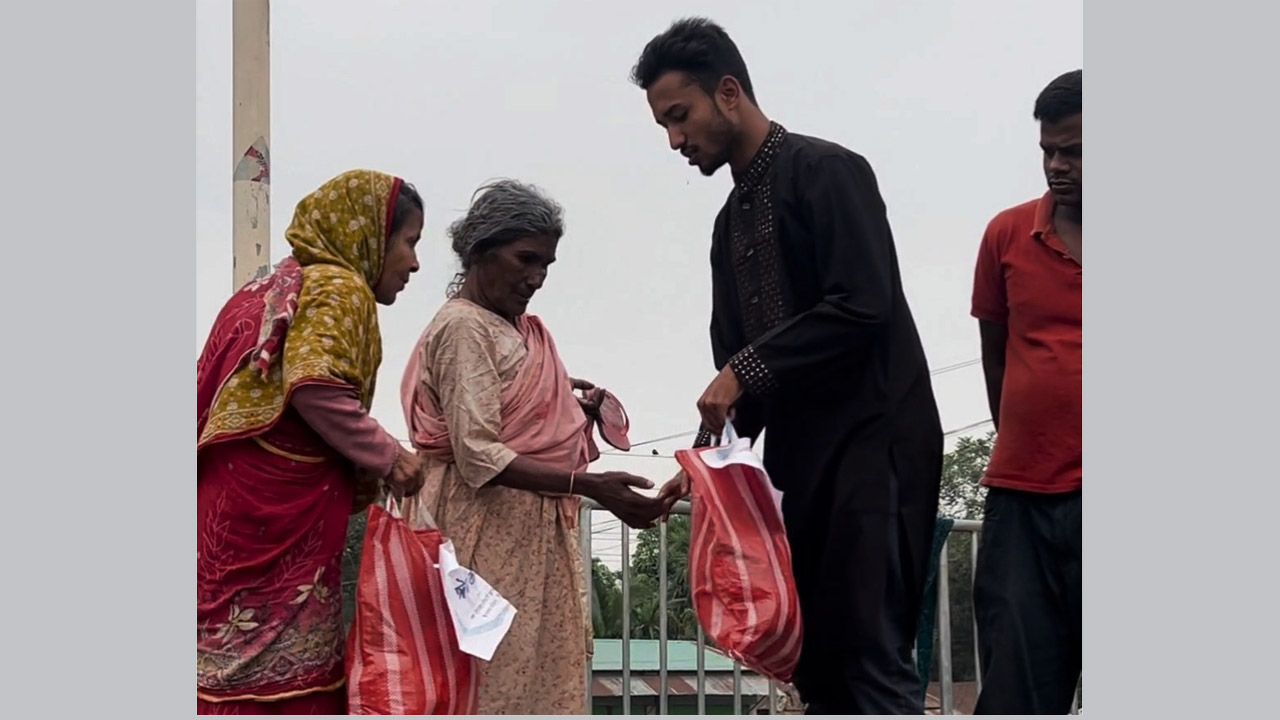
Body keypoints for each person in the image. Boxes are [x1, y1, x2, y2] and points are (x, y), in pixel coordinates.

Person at [634, 18, 944, 715]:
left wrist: (746, 369)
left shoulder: (827, 171)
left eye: (679, 117)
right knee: (817, 660)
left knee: (870, 651)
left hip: (877, 444)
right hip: (801, 464)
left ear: (730, 92)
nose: (675, 140)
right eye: (663, 126)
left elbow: (863, 304)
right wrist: (703, 470)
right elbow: (741, 386)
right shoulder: (728, 226)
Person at [400, 179, 665, 714]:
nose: (536, 278)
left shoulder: (516, 330)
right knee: (488, 684)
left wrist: (566, 405)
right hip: (480, 534)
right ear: (479, 251)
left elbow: (515, 407)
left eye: (546, 264)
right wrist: (590, 485)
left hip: (528, 534)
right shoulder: (463, 328)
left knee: (533, 683)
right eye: (525, 259)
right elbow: (478, 452)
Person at [196, 169, 427, 715]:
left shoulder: (262, 291)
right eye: (410, 242)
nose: (414, 263)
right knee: (285, 688)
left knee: (220, 671)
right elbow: (315, 386)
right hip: (280, 519)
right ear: (370, 234)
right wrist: (391, 457)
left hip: (227, 514)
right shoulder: (340, 286)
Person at [969, 69, 1082, 715]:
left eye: (1075, 151)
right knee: (1016, 691)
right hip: (1023, 501)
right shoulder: (1007, 235)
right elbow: (995, 353)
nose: (1057, 166)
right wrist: (1023, 437)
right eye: (1048, 151)